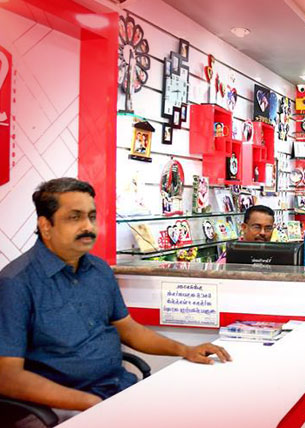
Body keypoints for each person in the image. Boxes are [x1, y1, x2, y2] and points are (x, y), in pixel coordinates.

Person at [0, 178, 230, 425]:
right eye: (74, 217)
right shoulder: (16, 283)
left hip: (117, 389)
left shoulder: (99, 270)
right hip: (60, 408)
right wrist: (89, 402)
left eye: (91, 216)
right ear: (46, 226)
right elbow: (7, 376)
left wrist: (185, 350)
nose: (88, 226)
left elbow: (128, 329)